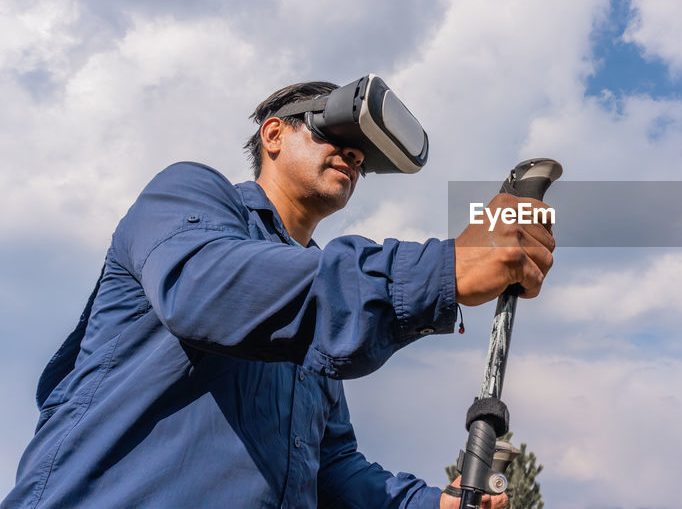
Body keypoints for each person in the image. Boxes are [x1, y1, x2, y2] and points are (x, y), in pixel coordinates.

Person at [2, 81, 554, 508]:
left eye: (362, 153)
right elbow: (209, 290)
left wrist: (428, 502)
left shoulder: (315, 302)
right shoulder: (190, 197)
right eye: (334, 132)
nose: (354, 155)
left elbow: (330, 465)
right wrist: (443, 268)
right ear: (273, 135)